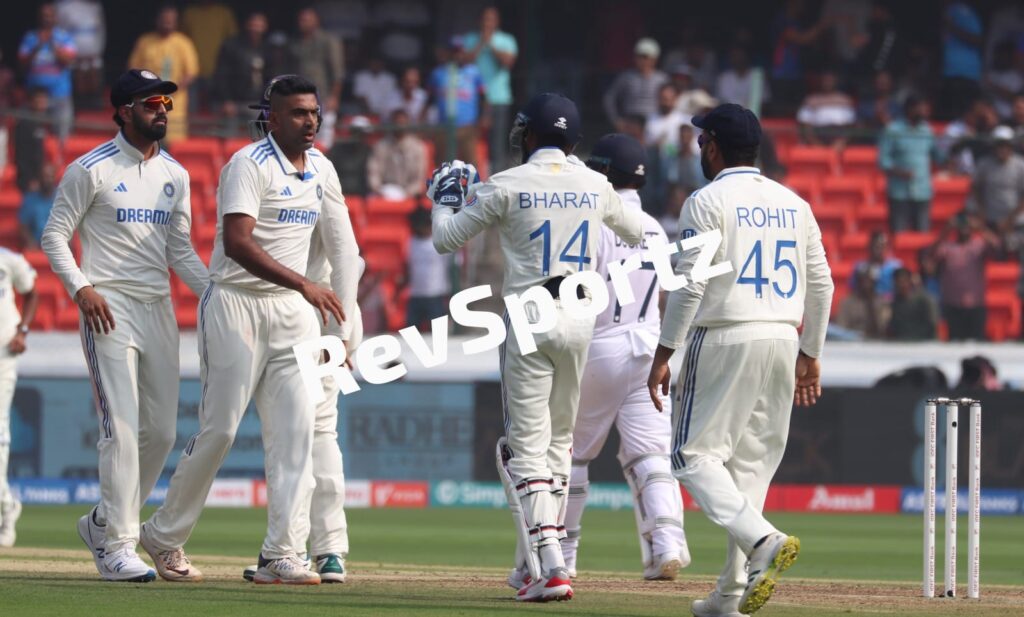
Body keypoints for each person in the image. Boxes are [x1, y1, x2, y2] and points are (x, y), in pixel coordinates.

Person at [138, 74, 358, 586]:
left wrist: (338, 315)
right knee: (220, 431)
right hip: (236, 305)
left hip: (295, 315)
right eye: (299, 113)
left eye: (315, 112)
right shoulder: (247, 164)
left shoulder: (322, 168)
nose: (311, 122)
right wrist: (306, 283)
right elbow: (237, 243)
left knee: (298, 434)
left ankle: (282, 553)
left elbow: (343, 246)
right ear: (274, 118)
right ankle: (164, 535)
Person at [429, 93, 644, 602]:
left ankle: (550, 566)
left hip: (529, 314)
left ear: (527, 135)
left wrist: (444, 200)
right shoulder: (594, 183)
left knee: (525, 448)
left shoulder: (507, 183)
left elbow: (445, 241)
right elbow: (635, 231)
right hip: (580, 313)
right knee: (559, 445)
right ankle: (537, 563)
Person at [646, 103, 834, 616]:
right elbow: (822, 283)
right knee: (748, 469)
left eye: (700, 142)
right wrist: (810, 353)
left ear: (712, 146)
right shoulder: (794, 203)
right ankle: (729, 596)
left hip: (725, 333)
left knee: (690, 457)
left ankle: (764, 540)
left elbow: (692, 286)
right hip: (781, 336)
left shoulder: (706, 201)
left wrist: (665, 353)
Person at [41, 69, 209, 582]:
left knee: (159, 433)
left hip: (157, 307)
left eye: (166, 103)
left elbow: (179, 250)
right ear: (123, 110)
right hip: (107, 305)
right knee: (121, 429)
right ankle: (118, 543)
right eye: (152, 102)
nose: (162, 110)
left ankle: (100, 522)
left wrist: (219, 295)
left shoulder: (176, 175)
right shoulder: (88, 169)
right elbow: (54, 237)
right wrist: (82, 288)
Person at [560, 133, 689, 582]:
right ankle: (667, 546)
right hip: (650, 347)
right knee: (650, 455)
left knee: (571, 455)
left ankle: (563, 555)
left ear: (602, 172)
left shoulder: (594, 221)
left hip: (601, 344)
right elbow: (666, 293)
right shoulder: (654, 226)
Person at [0, 247, 38, 547]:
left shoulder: (8, 259)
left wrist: (22, 330)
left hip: (4, 354)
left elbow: (31, 291)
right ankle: (8, 505)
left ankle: (5, 509)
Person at [127, 6, 200, 143]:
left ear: (176, 23)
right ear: (157, 21)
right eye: (164, 20)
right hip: (148, 101)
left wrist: (171, 91)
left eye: (170, 21)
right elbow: (133, 69)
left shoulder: (184, 43)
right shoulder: (145, 41)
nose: (167, 24)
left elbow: (191, 73)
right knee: (147, 138)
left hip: (174, 103)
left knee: (172, 144)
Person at [462, 6, 518, 172]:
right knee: (472, 141)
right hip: (473, 99)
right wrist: (481, 42)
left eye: (491, 19)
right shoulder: (471, 39)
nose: (488, 23)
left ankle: (497, 175)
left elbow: (507, 63)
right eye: (485, 19)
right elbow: (464, 62)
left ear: (497, 22)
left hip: (498, 98)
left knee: (497, 143)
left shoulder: (506, 40)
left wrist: (491, 44)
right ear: (480, 21)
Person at [931, 212, 1001, 340]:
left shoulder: (979, 245)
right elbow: (931, 256)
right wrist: (946, 229)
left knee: (977, 343)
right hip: (952, 304)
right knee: (955, 344)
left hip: (975, 304)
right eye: (962, 224)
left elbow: (997, 247)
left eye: (967, 225)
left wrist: (980, 228)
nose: (964, 228)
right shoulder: (947, 247)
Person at [211, 11, 282, 135]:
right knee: (229, 137)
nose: (256, 27)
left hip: (258, 103)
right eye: (253, 23)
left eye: (260, 24)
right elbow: (222, 75)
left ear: (265, 26)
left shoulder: (269, 49)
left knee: (259, 139)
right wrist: (226, 100)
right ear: (247, 25)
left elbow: (272, 78)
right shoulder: (231, 46)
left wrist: (269, 102)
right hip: (234, 102)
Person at [879, 96, 941, 232]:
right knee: (898, 235)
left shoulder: (927, 131)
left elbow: (938, 156)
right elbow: (883, 161)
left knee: (923, 236)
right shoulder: (893, 130)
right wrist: (899, 172)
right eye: (921, 108)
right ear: (911, 109)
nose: (925, 111)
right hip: (899, 193)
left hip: (923, 191)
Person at [18, 3, 77, 143]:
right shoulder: (31, 37)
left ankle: (59, 160)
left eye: (50, 16)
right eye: (44, 16)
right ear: (39, 18)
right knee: (33, 133)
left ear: (55, 18)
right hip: (35, 96)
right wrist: (37, 46)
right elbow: (22, 62)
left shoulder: (64, 37)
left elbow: (69, 59)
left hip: (59, 94)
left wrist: (52, 44)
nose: (47, 19)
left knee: (61, 133)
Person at [428, 37, 487, 167]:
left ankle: (472, 188)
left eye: (460, 51)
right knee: (442, 166)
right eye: (454, 51)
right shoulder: (438, 73)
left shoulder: (473, 72)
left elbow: (483, 97)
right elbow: (430, 99)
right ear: (448, 53)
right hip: (444, 127)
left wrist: (484, 117)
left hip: (467, 127)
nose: (457, 55)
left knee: (470, 166)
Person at [291, 8, 344, 148]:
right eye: (301, 20)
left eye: (306, 20)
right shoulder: (296, 43)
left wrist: (334, 97)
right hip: (301, 97)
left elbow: (338, 72)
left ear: (316, 21)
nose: (302, 23)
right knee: (302, 137)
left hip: (324, 96)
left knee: (324, 137)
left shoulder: (329, 40)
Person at [181, 0, 237, 110]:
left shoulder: (224, 13)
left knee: (217, 112)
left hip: (217, 72)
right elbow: (181, 40)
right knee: (192, 111)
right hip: (193, 73)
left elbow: (233, 42)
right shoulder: (190, 14)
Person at [603, 39, 668, 133]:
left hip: (653, 124)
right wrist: (616, 120)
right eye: (638, 57)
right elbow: (609, 98)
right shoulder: (626, 77)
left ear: (654, 59)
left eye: (645, 57)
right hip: (630, 122)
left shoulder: (662, 79)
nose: (641, 60)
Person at [969, 126, 1024, 232]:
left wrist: (1010, 220)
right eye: (999, 145)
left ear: (1011, 146)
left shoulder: (1021, 165)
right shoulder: (984, 164)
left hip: (1016, 221)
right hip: (989, 220)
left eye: (1005, 145)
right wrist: (981, 211)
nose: (1002, 149)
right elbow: (976, 188)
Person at [404, 208, 450, 329]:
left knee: (438, 330)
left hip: (435, 293)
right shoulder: (411, 242)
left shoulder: (440, 242)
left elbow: (450, 266)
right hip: (416, 293)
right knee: (411, 329)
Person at [55, 0, 106, 109]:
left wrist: (98, 51)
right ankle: (78, 104)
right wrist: (69, 53)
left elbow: (101, 31)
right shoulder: (63, 6)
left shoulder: (95, 6)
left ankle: (94, 105)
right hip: (72, 56)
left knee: (93, 78)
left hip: (93, 55)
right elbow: (60, 33)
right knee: (78, 81)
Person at [367, 109, 427, 199]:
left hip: (408, 194)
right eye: (397, 122)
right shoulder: (381, 145)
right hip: (384, 191)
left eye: (402, 123)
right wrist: (379, 190)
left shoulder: (418, 147)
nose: (399, 126)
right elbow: (373, 173)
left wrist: (405, 194)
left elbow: (419, 180)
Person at [796, 70, 855, 146]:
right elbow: (805, 123)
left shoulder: (845, 100)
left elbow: (850, 124)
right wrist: (814, 142)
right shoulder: (811, 100)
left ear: (835, 81)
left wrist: (842, 141)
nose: (827, 83)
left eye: (830, 80)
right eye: (825, 80)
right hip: (817, 134)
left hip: (838, 135)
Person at [836, 264, 889, 339]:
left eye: (870, 281)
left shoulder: (882, 302)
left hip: (878, 343)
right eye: (863, 280)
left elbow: (884, 329)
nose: (866, 284)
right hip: (852, 343)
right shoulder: (847, 303)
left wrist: (871, 305)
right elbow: (841, 329)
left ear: (875, 282)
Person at [14, 88, 51, 194]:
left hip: (42, 176)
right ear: (32, 102)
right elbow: (22, 153)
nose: (42, 103)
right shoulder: (25, 123)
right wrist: (30, 178)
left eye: (44, 100)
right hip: (29, 177)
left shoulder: (45, 121)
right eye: (39, 100)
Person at [715, 46, 770, 117]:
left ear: (747, 56)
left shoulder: (757, 76)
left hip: (753, 120)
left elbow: (764, 103)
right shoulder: (724, 77)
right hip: (728, 120)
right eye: (733, 56)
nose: (736, 59)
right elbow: (719, 103)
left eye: (739, 55)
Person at [888, 267, 939, 341]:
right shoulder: (895, 302)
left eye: (904, 281)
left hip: (924, 343)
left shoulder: (924, 300)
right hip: (901, 344)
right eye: (898, 282)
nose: (901, 285)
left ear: (910, 281)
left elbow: (932, 323)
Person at [851, 231, 902, 299]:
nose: (879, 249)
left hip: (891, 304)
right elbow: (853, 290)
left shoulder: (896, 267)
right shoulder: (860, 267)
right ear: (870, 246)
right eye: (876, 246)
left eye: (882, 246)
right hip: (866, 304)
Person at [19, 163, 57, 249]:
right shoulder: (30, 199)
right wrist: (31, 241)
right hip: (36, 245)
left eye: (50, 177)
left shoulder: (62, 198)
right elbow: (23, 226)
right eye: (44, 176)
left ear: (54, 178)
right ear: (39, 178)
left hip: (57, 246)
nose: (47, 180)